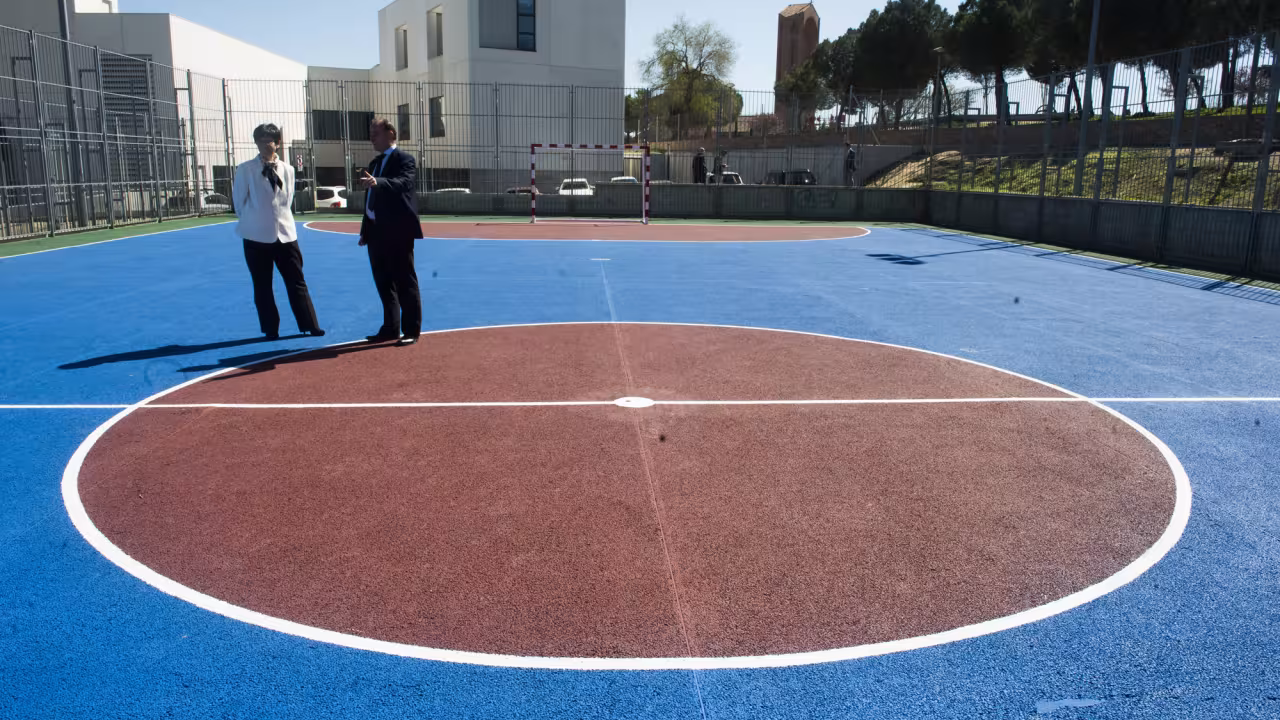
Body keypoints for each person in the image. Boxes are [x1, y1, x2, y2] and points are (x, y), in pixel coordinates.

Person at [232, 123, 323, 340]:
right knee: (262, 285)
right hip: (255, 236)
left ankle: (310, 324)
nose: (265, 145)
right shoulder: (245, 169)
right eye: (261, 141)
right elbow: (239, 203)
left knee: (297, 280)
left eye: (269, 141)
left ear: (278, 143)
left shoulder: (288, 170)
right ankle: (270, 328)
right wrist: (256, 220)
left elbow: (287, 200)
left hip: (285, 234)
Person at [357, 117, 424, 346]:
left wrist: (379, 182)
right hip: (376, 232)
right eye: (370, 133)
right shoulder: (375, 162)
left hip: (398, 231)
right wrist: (365, 230)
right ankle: (390, 328)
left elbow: (404, 183)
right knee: (383, 282)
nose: (371, 138)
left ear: (391, 134)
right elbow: (370, 201)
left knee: (405, 280)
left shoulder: (405, 159)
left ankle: (411, 330)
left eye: (375, 133)